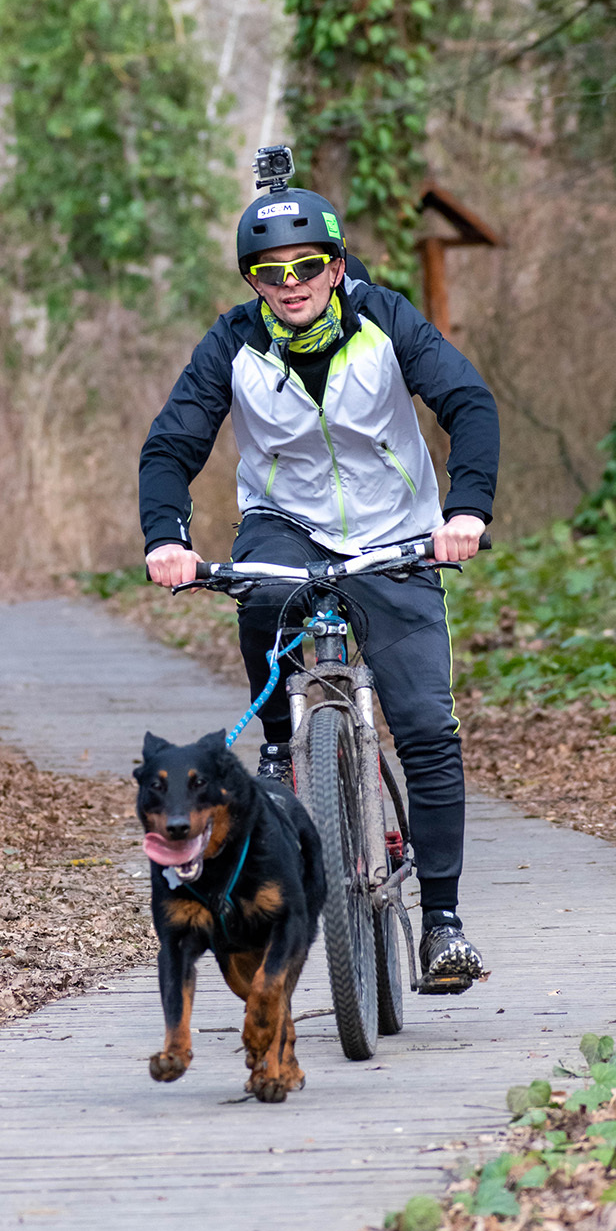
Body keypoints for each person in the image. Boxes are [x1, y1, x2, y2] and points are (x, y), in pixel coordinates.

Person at [138, 161, 498, 993]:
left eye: (307, 266)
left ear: (336, 267)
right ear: (253, 282)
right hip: (286, 526)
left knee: (426, 726)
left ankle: (442, 922)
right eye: (271, 272)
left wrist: (465, 513)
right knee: (261, 588)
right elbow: (172, 445)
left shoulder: (385, 320)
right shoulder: (233, 342)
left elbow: (467, 404)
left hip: (395, 534)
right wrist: (168, 536)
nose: (290, 283)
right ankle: (276, 745)